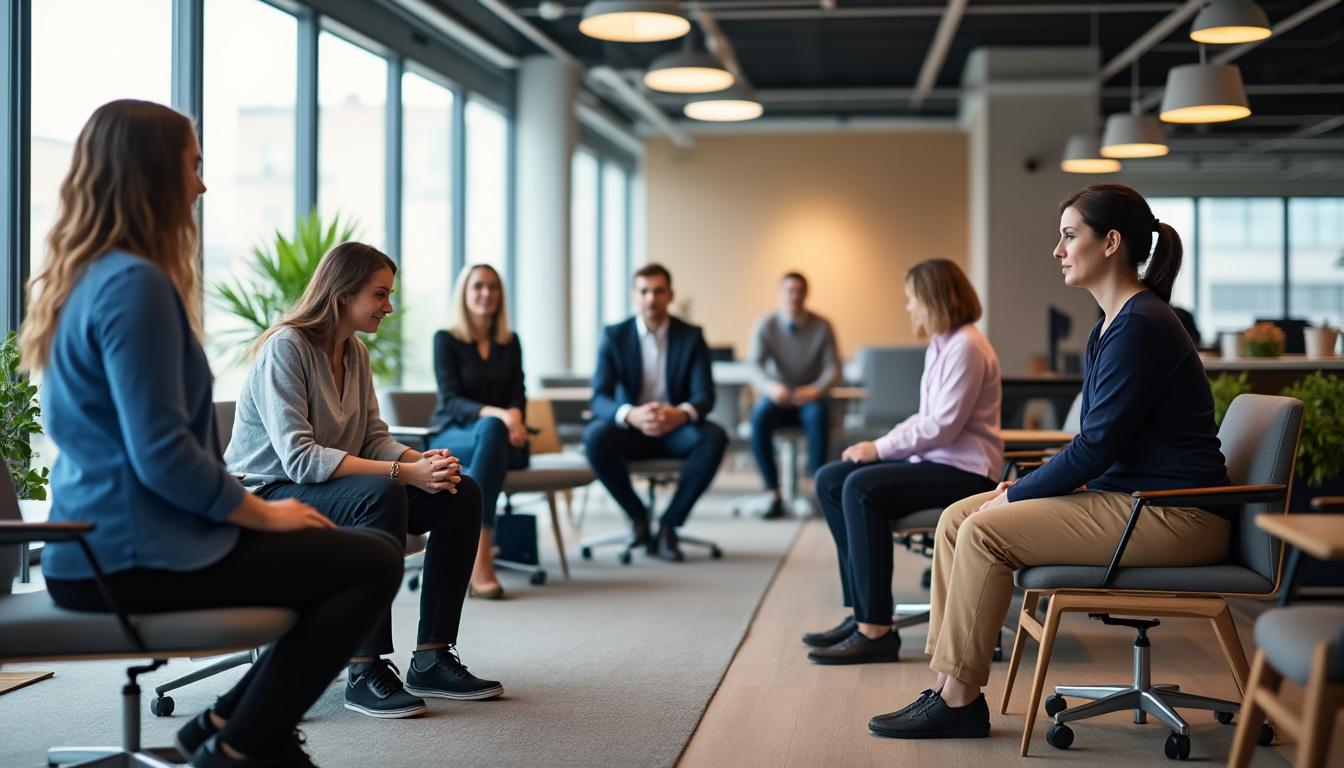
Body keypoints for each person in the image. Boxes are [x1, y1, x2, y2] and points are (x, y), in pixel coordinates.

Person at [22, 99, 402, 768]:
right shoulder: (135, 285)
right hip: (127, 556)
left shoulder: (86, 278)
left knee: (350, 553)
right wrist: (260, 514)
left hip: (97, 548)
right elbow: (164, 453)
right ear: (151, 174)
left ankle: (229, 726)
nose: (202, 184)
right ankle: (240, 745)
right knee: (371, 561)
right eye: (193, 165)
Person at [870, 183, 1231, 740]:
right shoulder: (1111, 326)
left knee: (985, 530)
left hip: (1174, 515)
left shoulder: (1141, 326)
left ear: (1111, 243)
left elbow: (1096, 448)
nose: (1058, 250)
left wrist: (1013, 492)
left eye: (1069, 236)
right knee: (955, 519)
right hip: (1131, 501)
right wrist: (1017, 488)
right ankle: (946, 684)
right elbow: (1096, 442)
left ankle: (962, 699)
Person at [227, 242, 503, 720]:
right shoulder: (286, 348)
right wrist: (404, 472)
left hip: (331, 488)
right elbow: (300, 460)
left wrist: (425, 463)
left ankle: (432, 656)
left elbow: (374, 438)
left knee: (462, 491)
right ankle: (363, 666)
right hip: (269, 492)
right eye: (379, 294)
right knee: (382, 492)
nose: (389, 307)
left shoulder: (354, 353)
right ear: (342, 293)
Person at [805, 259, 1002, 665]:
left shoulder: (967, 347)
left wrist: (879, 450)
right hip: (936, 462)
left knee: (860, 488)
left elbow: (942, 426)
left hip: (964, 472)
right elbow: (923, 417)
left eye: (912, 299)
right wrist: (879, 444)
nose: (909, 307)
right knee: (829, 479)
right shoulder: (942, 344)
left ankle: (876, 630)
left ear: (934, 299)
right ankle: (861, 611)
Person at [583, 263, 729, 562]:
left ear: (670, 295)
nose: (651, 298)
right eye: (644, 291)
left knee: (714, 436)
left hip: (676, 429)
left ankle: (669, 524)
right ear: (634, 296)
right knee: (595, 436)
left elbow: (705, 395)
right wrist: (630, 414)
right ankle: (637, 518)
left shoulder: (691, 336)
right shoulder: (614, 336)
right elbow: (599, 397)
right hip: (632, 430)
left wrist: (680, 414)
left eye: (658, 291)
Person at [427, 264, 528, 600]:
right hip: (454, 434)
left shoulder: (509, 342)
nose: (487, 294)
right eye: (479, 286)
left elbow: (518, 393)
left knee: (494, 429)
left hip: (499, 441)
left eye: (493, 287)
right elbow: (451, 399)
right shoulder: (446, 340)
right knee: (491, 425)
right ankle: (482, 557)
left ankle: (479, 551)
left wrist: (513, 413)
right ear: (465, 294)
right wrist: (499, 414)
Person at [747, 272, 841, 520]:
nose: (794, 295)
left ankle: (814, 488)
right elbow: (753, 365)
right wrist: (770, 387)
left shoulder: (822, 325)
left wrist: (817, 389)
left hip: (809, 397)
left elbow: (834, 367)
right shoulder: (765, 325)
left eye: (799, 290)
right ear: (780, 293)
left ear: (806, 293)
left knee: (819, 412)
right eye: (789, 290)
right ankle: (772, 492)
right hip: (778, 396)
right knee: (758, 415)